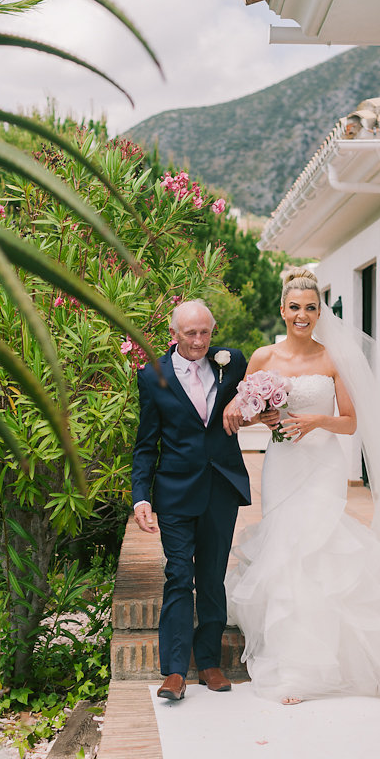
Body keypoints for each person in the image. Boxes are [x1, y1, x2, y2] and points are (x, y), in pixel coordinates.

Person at [224, 269, 380, 704]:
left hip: (322, 464)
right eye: (294, 307)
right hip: (282, 464)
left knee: (317, 546)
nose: (302, 315)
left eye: (310, 308)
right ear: (282, 310)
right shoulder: (262, 358)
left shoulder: (334, 358)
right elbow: (241, 412)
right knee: (286, 549)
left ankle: (321, 662)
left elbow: (352, 422)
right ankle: (292, 662)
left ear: (320, 312)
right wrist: (262, 417)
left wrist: (317, 420)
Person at [132, 300, 251, 702]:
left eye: (205, 332)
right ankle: (175, 672)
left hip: (221, 486)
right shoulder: (152, 376)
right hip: (176, 491)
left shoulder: (231, 362)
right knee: (179, 575)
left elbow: (257, 397)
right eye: (190, 334)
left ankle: (211, 662)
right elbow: (146, 445)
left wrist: (241, 403)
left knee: (212, 575)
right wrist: (140, 497)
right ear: (174, 334)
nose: (199, 341)